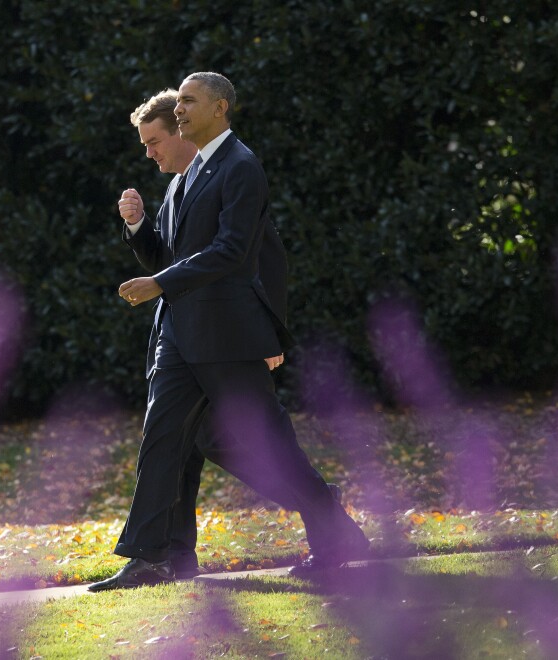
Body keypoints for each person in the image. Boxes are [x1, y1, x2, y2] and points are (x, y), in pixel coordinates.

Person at [88, 72, 368, 592]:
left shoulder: (242, 166)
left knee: (270, 446)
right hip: (181, 337)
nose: (180, 112)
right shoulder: (182, 181)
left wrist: (268, 337)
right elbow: (167, 257)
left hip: (229, 339)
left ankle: (336, 534)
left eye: (189, 103)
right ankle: (149, 558)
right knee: (162, 439)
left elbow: (236, 252)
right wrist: (137, 229)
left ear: (220, 108)